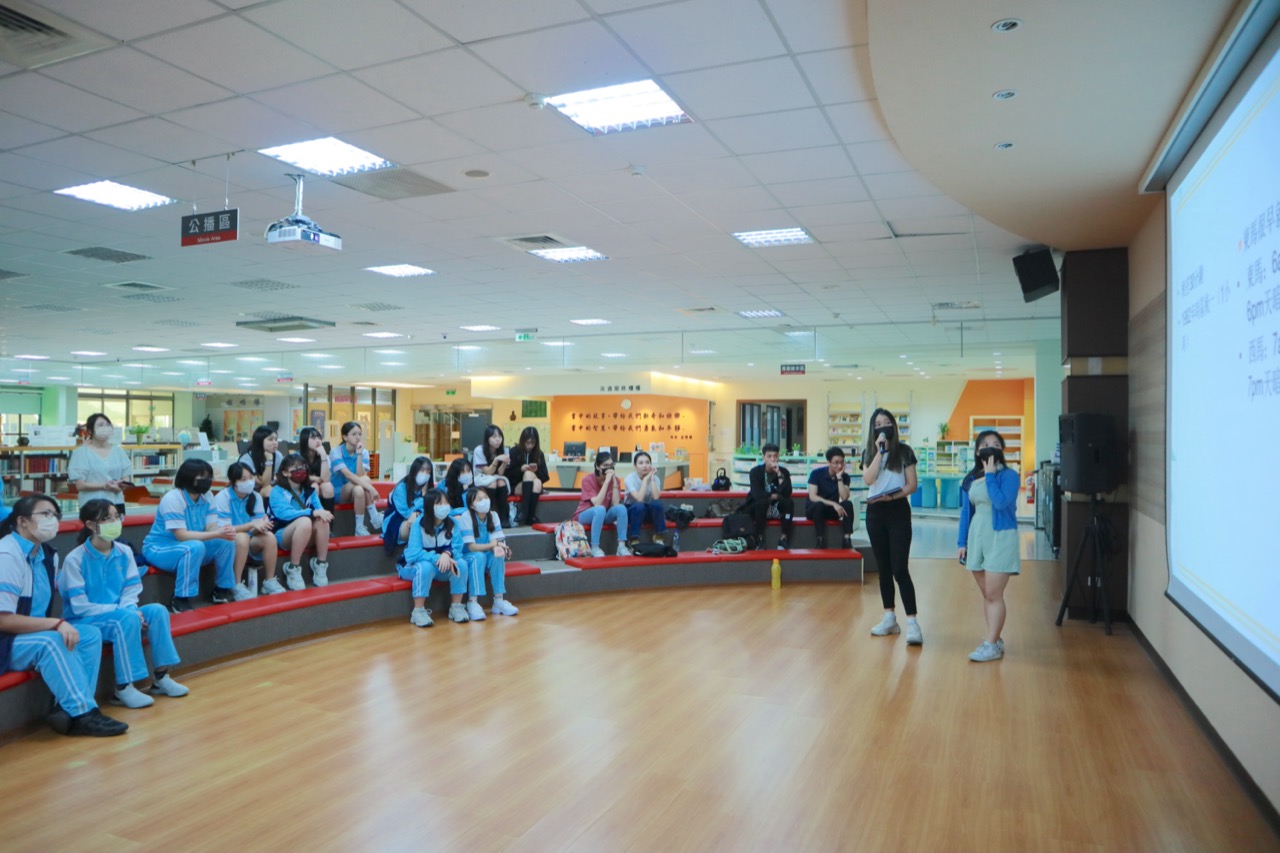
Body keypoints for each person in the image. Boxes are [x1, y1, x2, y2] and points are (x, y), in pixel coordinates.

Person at [0, 494, 127, 736]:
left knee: (89, 634)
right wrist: (56, 623)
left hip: (26, 634)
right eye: (45, 514)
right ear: (22, 521)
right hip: (6, 639)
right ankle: (84, 714)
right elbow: (3, 620)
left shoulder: (48, 554)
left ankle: (67, 709)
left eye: (55, 515)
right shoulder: (7, 555)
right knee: (52, 641)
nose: (52, 520)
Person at [59, 499, 189, 709]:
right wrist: (125, 612)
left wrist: (129, 610)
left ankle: (161, 677)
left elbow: (131, 589)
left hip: (120, 614)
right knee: (126, 618)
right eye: (106, 518)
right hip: (84, 619)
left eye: (116, 517)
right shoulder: (75, 559)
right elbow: (80, 606)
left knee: (157, 611)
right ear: (91, 525)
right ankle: (123, 688)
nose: (114, 522)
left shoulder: (124, 551)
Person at [957, 430, 1022, 662]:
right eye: (984, 445)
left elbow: (1001, 502)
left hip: (1001, 538)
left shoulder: (1010, 476)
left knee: (994, 594)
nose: (990, 448)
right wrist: (961, 542)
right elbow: (966, 512)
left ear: (1001, 451)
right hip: (978, 537)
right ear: (977, 451)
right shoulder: (971, 479)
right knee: (988, 594)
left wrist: (991, 475)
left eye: (995, 444)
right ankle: (995, 638)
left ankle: (992, 644)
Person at [142, 459, 237, 612]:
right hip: (160, 548)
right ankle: (180, 598)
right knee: (194, 547)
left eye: (209, 477)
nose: (207, 481)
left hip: (191, 544)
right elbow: (181, 535)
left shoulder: (208, 496)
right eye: (202, 477)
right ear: (188, 477)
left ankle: (222, 590)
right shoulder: (173, 498)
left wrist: (223, 531)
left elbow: (211, 526)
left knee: (226, 543)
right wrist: (216, 533)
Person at [861, 408, 921, 644]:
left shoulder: (905, 452)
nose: (882, 427)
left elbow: (912, 485)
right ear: (873, 429)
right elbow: (868, 479)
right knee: (883, 568)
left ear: (893, 426)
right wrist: (879, 452)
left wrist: (892, 497)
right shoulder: (869, 452)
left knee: (900, 568)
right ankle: (889, 618)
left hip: (898, 511)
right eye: (878, 424)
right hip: (875, 513)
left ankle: (913, 623)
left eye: (886, 423)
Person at [214, 462, 282, 598]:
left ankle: (269, 581)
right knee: (242, 537)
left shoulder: (255, 497)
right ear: (233, 482)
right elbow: (224, 530)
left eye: (251, 477)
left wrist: (262, 527)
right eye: (243, 479)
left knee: (269, 537)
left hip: (250, 539)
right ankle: (236, 584)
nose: (249, 482)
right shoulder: (223, 497)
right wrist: (252, 525)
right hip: (228, 540)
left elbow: (256, 526)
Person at [399, 491, 468, 627]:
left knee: (461, 564)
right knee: (425, 567)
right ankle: (418, 611)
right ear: (430, 506)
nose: (444, 506)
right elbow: (413, 554)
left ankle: (456, 607)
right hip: (411, 567)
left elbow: (458, 549)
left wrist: (447, 554)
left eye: (446, 503)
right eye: (439, 503)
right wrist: (438, 557)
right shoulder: (419, 524)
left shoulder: (453, 523)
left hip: (440, 567)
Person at [451, 487, 518, 621]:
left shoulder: (493, 515)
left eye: (486, 497)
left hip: (486, 552)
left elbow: (495, 540)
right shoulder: (466, 517)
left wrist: (499, 547)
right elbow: (472, 547)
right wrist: (493, 545)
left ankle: (499, 601)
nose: (484, 501)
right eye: (479, 499)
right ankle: (472, 602)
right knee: (478, 556)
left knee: (497, 556)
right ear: (472, 505)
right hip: (468, 555)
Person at [269, 453, 333, 589]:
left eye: (303, 467)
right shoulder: (277, 491)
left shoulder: (310, 490)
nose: (301, 471)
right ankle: (293, 567)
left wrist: (321, 513)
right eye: (296, 468)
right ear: (285, 473)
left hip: (305, 533)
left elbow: (320, 510)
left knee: (322, 520)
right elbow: (284, 514)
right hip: (283, 533)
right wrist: (310, 512)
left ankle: (320, 564)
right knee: (304, 521)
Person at [68, 413, 133, 515]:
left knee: (116, 525)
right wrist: (105, 486)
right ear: (90, 431)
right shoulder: (81, 453)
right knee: (95, 525)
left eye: (108, 425)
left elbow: (126, 478)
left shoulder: (119, 452)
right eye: (101, 425)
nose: (105, 428)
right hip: (92, 505)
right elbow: (80, 485)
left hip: (117, 503)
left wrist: (121, 486)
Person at [329, 422, 383, 536]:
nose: (358, 437)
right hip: (340, 491)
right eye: (354, 434)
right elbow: (348, 475)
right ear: (345, 437)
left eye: (359, 434)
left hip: (357, 491)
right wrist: (370, 488)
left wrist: (359, 454)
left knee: (359, 488)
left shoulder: (363, 452)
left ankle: (359, 527)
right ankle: (374, 516)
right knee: (366, 481)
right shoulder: (336, 452)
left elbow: (360, 475)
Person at [573, 452, 631, 558]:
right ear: (597, 467)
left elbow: (615, 504)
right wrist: (606, 482)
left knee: (621, 508)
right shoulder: (587, 480)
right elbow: (597, 503)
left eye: (611, 465)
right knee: (600, 509)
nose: (609, 468)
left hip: (603, 514)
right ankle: (595, 547)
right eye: (605, 465)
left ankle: (621, 546)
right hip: (584, 514)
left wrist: (614, 483)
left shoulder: (615, 480)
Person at [741, 444, 794, 550]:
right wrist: (777, 495)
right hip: (758, 508)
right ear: (763, 458)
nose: (772, 459)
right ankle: (759, 538)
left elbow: (787, 493)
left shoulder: (784, 472)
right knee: (762, 502)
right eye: (769, 456)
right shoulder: (755, 472)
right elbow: (757, 494)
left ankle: (783, 538)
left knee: (789, 503)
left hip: (775, 508)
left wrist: (779, 474)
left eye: (775, 456)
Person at [382, 455, 434, 553]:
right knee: (417, 526)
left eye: (428, 472)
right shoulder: (401, 488)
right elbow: (406, 513)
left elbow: (432, 509)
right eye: (422, 470)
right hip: (397, 521)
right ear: (414, 471)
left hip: (418, 519)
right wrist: (423, 498)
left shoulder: (429, 489)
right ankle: (412, 556)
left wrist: (417, 513)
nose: (425, 474)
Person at [807, 447, 855, 549]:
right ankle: (820, 539)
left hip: (832, 510)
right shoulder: (816, 473)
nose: (840, 466)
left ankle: (847, 539)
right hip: (815, 510)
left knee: (848, 504)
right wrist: (833, 503)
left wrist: (839, 478)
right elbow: (812, 496)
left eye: (842, 462)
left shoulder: (845, 477)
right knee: (819, 505)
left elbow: (844, 497)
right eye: (836, 463)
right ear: (828, 462)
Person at [472, 425, 513, 528]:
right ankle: (491, 516)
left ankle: (503, 517)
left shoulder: (504, 450)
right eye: (494, 437)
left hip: (496, 477)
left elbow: (500, 473)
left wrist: (504, 463)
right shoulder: (479, 450)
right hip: (481, 477)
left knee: (501, 482)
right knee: (493, 482)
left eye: (500, 436)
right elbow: (487, 471)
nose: (498, 439)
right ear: (487, 438)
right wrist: (496, 460)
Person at [623, 451, 667, 545]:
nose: (645, 466)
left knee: (657, 504)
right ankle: (634, 539)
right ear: (635, 466)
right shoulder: (629, 478)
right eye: (641, 463)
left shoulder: (656, 479)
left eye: (647, 462)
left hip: (647, 510)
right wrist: (645, 479)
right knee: (639, 506)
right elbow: (639, 499)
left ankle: (659, 536)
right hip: (632, 511)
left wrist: (652, 479)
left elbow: (656, 497)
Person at [508, 427, 549, 526]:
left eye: (533, 443)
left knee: (537, 481)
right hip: (517, 486)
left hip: (534, 486)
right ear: (522, 441)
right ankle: (529, 514)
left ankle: (526, 514)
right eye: (527, 443)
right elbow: (508, 474)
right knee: (528, 474)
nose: (530, 446)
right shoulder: (514, 452)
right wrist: (521, 470)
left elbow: (545, 477)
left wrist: (536, 471)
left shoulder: (539, 454)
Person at [240, 425, 284, 502]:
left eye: (276, 439)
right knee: (268, 490)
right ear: (259, 441)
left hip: (271, 490)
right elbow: (265, 483)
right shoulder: (247, 458)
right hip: (249, 493)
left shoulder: (278, 455)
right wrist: (269, 461)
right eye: (270, 439)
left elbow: (280, 478)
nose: (275, 443)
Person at [297, 426, 335, 512]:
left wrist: (323, 456)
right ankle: (313, 517)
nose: (318, 441)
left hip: (320, 487)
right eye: (313, 438)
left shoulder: (324, 456)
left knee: (328, 486)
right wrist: (312, 478)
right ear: (304, 440)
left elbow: (326, 479)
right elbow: (296, 477)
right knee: (314, 487)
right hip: (300, 488)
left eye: (319, 438)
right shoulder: (297, 457)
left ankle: (329, 519)